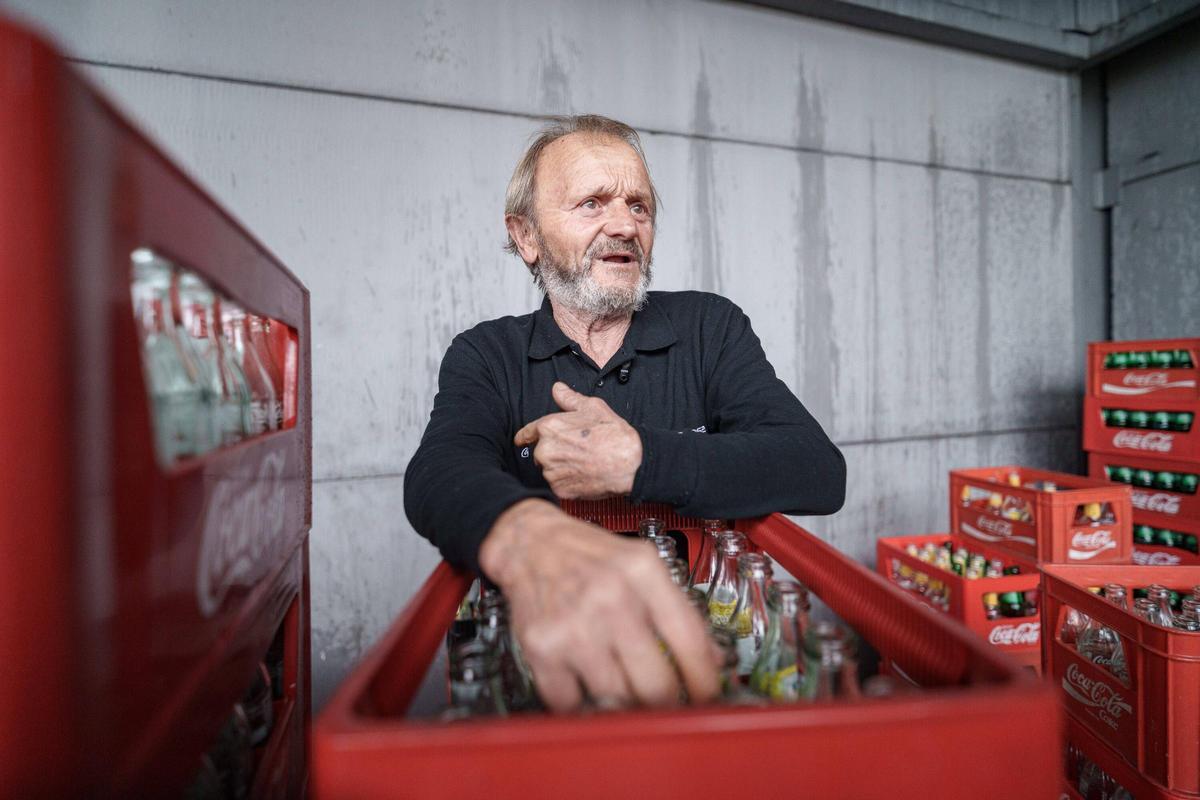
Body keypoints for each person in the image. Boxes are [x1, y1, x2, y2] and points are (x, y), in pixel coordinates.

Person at [404, 114, 845, 712]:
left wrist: (638, 458)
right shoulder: (487, 354)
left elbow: (816, 468)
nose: (624, 225)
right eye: (592, 203)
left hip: (699, 655)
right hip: (557, 652)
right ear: (527, 235)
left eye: (640, 206)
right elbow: (438, 472)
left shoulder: (709, 328)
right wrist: (526, 535)